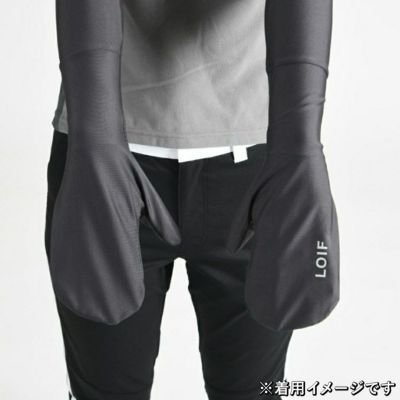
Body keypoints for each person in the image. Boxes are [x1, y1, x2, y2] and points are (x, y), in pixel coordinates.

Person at [45, 0, 339, 399]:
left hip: (262, 163)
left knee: (253, 392)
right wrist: (95, 139)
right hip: (101, 158)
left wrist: (301, 149)